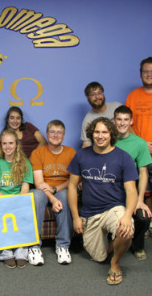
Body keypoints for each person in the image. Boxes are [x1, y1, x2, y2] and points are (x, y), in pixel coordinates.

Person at [68, 117, 138, 285]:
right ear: (92, 134)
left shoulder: (123, 157)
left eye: (104, 132)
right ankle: (112, 242)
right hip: (90, 214)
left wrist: (127, 216)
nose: (100, 136)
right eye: (97, 132)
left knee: (126, 230)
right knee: (99, 257)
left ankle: (115, 262)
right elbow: (71, 186)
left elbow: (131, 191)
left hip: (114, 208)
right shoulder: (81, 155)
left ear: (111, 134)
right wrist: (76, 217)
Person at [29, 120, 75, 265]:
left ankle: (62, 245)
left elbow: (75, 180)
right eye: (52, 132)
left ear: (64, 135)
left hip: (61, 189)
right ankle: (34, 246)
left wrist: (56, 190)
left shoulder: (71, 152)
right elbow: (39, 183)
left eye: (59, 132)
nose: (55, 135)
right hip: (43, 192)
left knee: (65, 195)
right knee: (35, 195)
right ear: (47, 134)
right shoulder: (37, 153)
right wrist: (52, 199)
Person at [0, 129, 33, 268]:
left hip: (19, 200)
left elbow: (25, 188)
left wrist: (17, 203)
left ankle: (21, 250)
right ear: (0, 145)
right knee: (1, 214)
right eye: (4, 143)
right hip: (1, 201)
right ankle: (6, 252)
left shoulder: (25, 163)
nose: (7, 147)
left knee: (22, 213)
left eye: (11, 143)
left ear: (16, 145)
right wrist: (7, 203)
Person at [113, 105, 152, 259]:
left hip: (132, 191)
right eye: (119, 119)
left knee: (143, 216)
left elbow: (143, 173)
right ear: (114, 121)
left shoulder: (140, 143)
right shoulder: (107, 140)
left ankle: (137, 244)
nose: (122, 123)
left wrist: (140, 200)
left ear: (131, 121)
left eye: (126, 120)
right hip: (112, 191)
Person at [125, 57, 152, 224]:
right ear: (140, 74)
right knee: (145, 188)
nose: (149, 74)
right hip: (141, 150)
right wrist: (143, 144)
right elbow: (127, 124)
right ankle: (148, 223)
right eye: (145, 71)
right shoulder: (133, 96)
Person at [81, 81, 121, 148]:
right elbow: (86, 144)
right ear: (87, 97)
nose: (97, 97)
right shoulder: (88, 120)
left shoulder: (117, 107)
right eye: (93, 95)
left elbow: (129, 129)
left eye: (99, 93)